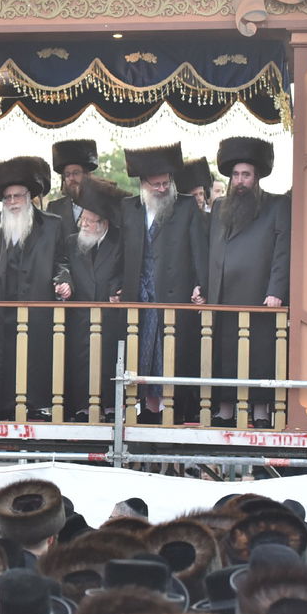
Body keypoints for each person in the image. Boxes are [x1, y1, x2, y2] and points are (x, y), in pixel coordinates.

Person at [201, 137, 289, 427]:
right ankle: (225, 410)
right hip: (223, 295)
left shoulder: (276, 205)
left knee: (259, 352)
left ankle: (261, 411)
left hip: (258, 295)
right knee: (224, 352)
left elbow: (282, 252)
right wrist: (204, 288)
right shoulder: (220, 206)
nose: (240, 181)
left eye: (246, 175)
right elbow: (211, 250)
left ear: (257, 177)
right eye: (236, 175)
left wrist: (275, 290)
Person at [0, 156, 70, 420]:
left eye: (18, 196)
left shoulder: (51, 225)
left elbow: (63, 261)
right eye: (8, 198)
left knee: (33, 353)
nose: (13, 202)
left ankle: (35, 404)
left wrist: (64, 281)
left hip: (36, 302)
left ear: (30, 197)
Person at [119, 144, 208, 423]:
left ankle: (167, 409)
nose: (161, 189)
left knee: (169, 354)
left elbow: (199, 252)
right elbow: (119, 252)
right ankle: (146, 407)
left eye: (165, 183)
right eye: (155, 184)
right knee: (141, 352)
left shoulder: (185, 206)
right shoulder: (128, 208)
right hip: (139, 296)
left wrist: (200, 285)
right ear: (143, 184)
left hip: (174, 294)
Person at [65, 176, 125, 422]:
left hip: (111, 314)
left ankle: (110, 407)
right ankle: (82, 407)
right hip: (80, 314)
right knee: (80, 361)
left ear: (105, 222)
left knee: (109, 360)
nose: (85, 225)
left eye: (91, 221)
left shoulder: (120, 240)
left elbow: (126, 271)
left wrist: (119, 288)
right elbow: (62, 266)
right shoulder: (71, 242)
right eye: (83, 220)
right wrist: (64, 281)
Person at [46, 139, 98, 227]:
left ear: (87, 175)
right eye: (67, 174)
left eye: (76, 173)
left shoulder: (101, 204)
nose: (71, 178)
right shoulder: (54, 208)